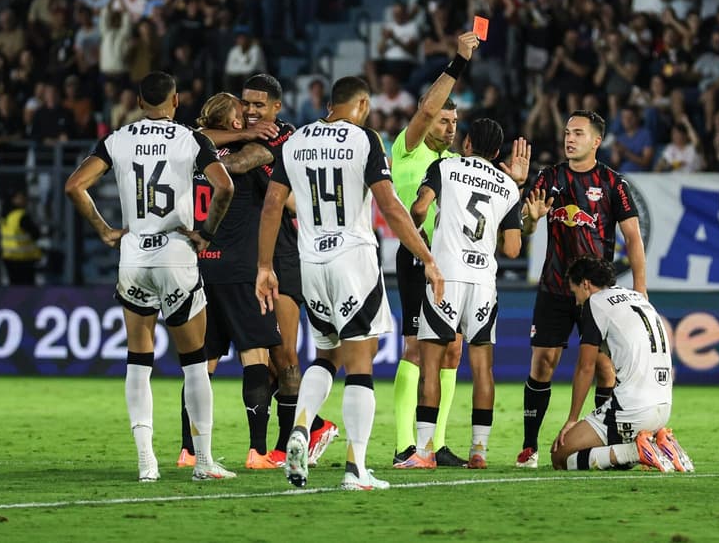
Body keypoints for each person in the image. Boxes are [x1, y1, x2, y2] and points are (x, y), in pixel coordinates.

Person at [256, 76, 445, 491]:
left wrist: (265, 266)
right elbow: (390, 205)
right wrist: (426, 257)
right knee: (361, 362)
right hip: (353, 261)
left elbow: (273, 204)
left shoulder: (296, 141)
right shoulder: (364, 140)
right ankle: (356, 467)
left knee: (326, 355)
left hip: (311, 264)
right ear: (361, 103)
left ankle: (302, 427)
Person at [64, 71, 236, 482]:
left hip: (135, 256)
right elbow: (224, 187)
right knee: (194, 364)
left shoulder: (118, 139)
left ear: (140, 102)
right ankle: (204, 461)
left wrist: (105, 230)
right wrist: (205, 233)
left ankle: (146, 462)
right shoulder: (190, 139)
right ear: (175, 102)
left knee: (138, 362)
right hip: (176, 253)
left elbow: (75, 185)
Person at [177, 76, 339, 470]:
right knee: (260, 358)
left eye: (259, 106)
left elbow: (245, 161)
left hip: (283, 254)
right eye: (246, 104)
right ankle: (310, 427)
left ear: (277, 109)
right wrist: (231, 136)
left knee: (283, 358)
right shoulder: (247, 130)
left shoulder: (282, 134)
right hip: (247, 255)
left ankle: (286, 444)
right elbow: (201, 139)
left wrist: (208, 160)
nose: (252, 111)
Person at [390, 31, 497, 469]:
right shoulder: (409, 148)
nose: (449, 128)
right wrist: (459, 61)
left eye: (455, 124)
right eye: (443, 122)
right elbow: (428, 107)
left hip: (452, 266)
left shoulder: (454, 167)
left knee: (452, 351)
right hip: (419, 260)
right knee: (417, 351)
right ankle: (405, 445)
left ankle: (433, 442)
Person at [516, 110, 647, 469]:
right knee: (543, 363)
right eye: (567, 133)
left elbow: (633, 237)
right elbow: (526, 229)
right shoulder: (549, 177)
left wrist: (640, 288)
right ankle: (529, 446)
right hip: (555, 288)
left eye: (577, 133)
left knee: (606, 370)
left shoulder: (612, 182)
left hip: (598, 296)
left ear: (596, 141)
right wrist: (532, 219)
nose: (569, 139)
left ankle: (605, 439)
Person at [409, 120, 525, 469]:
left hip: (445, 277)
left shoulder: (445, 166)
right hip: (483, 283)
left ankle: (425, 451)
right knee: (482, 368)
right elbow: (514, 248)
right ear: (497, 153)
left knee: (430, 365)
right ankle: (479, 451)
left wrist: (421, 237)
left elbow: (418, 209)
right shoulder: (508, 185)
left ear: (468, 142)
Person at [549, 255, 693, 473]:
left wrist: (572, 420)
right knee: (609, 457)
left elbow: (585, 368)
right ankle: (659, 441)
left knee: (560, 457)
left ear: (585, 284)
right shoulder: (638, 298)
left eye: (575, 291)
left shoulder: (595, 304)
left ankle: (636, 451)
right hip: (663, 407)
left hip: (633, 409)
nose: (576, 300)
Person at [0, 189, 42, 285]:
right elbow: (36, 234)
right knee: (27, 289)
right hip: (24, 259)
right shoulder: (21, 216)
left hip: (9, 258)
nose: (25, 200)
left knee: (14, 287)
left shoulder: (5, 215)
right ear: (13, 200)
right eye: (21, 198)